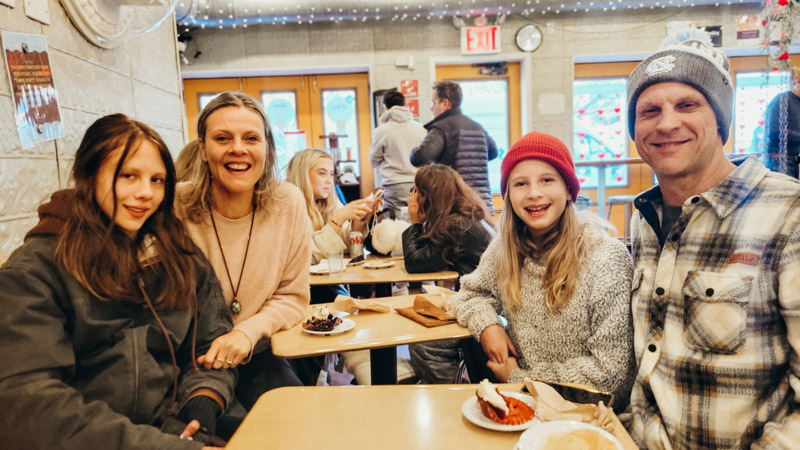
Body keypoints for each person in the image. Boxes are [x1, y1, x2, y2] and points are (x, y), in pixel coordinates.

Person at [0, 114, 236, 449]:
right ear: (90, 174)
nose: (145, 193)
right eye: (128, 176)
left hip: (174, 428)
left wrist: (205, 394)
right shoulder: (35, 270)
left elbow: (211, 343)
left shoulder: (179, 254)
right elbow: (30, 403)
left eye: (157, 180)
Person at [625, 33, 800, 448]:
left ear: (721, 120)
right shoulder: (644, 218)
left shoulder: (788, 214)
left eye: (687, 105)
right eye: (650, 110)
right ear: (635, 131)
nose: (667, 123)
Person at [453, 131, 635, 412]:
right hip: (524, 408)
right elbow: (470, 293)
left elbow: (611, 377)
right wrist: (487, 325)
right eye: (520, 183)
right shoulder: (504, 249)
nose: (534, 193)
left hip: (587, 419)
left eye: (547, 180)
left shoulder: (605, 258)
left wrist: (519, 378)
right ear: (509, 195)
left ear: (568, 189)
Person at [176, 92, 312, 408]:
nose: (238, 148)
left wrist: (246, 334)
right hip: (189, 359)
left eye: (251, 138)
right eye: (223, 138)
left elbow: (293, 297)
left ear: (267, 148)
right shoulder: (176, 204)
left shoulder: (287, 202)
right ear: (203, 148)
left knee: (297, 419)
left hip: (257, 353)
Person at [403, 164, 495, 384]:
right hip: (483, 302)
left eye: (417, 191)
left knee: (424, 346)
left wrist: (414, 221)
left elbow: (415, 263)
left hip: (487, 308)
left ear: (430, 196)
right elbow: (424, 255)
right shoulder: (463, 216)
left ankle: (454, 398)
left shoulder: (457, 225)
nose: (413, 197)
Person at [410, 81, 498, 213]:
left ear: (445, 103)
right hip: (483, 205)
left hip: (457, 207)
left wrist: (412, 151)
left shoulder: (441, 127)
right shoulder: (477, 127)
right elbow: (493, 152)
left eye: (433, 102)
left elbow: (421, 156)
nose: (431, 108)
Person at [285, 148, 382, 268]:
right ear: (302, 175)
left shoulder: (330, 202)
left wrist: (360, 217)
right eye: (322, 173)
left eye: (331, 174)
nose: (329, 181)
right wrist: (338, 218)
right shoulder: (287, 206)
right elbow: (309, 256)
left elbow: (343, 247)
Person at [369, 89, 426, 218]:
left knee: (395, 228)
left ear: (385, 107)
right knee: (418, 223)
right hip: (418, 184)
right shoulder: (420, 128)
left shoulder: (381, 131)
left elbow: (374, 161)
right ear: (404, 104)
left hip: (393, 184)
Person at [763, 67, 800, 178]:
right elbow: (775, 131)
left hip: (792, 162)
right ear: (798, 80)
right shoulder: (782, 100)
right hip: (779, 162)